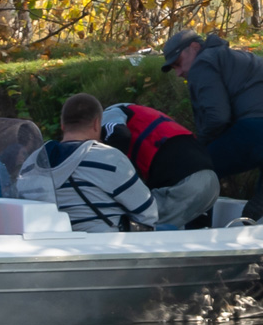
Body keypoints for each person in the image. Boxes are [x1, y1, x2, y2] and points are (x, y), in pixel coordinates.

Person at [161, 28, 263, 221]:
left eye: (178, 64)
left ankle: (191, 232)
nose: (179, 73)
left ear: (195, 47)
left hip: (262, 133)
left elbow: (218, 117)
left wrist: (198, 149)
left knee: (194, 172)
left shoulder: (203, 62)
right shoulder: (241, 57)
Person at [17, 93, 158, 233]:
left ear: (62, 125)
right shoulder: (108, 158)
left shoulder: (31, 164)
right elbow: (147, 214)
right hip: (106, 249)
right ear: (97, 124)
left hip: (53, 247)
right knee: (169, 229)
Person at [101, 103, 219, 228]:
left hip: (184, 184)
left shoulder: (109, 113)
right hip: (210, 182)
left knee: (139, 228)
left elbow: (120, 134)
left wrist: (110, 177)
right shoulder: (147, 114)